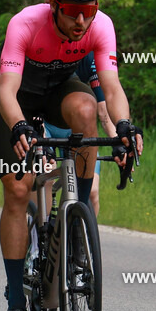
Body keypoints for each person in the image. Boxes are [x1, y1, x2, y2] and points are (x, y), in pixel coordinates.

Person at [0, 0, 142, 311]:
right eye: (73, 11)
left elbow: (111, 85)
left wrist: (124, 126)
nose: (81, 21)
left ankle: (77, 217)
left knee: (87, 109)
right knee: (18, 191)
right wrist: (20, 126)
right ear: (53, 5)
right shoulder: (25, 24)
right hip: (19, 100)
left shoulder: (101, 26)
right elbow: (7, 90)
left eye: (88, 11)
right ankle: (15, 305)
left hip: (59, 90)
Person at [43, 52, 117, 213]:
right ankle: (43, 233)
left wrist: (118, 141)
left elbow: (104, 112)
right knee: (46, 178)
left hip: (74, 127)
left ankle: (83, 235)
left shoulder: (91, 57)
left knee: (92, 192)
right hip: (45, 124)